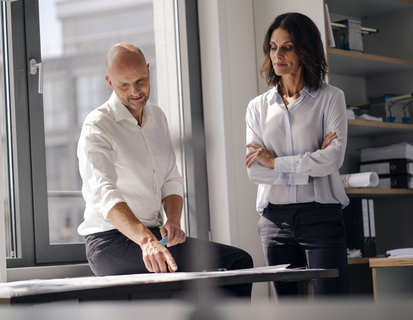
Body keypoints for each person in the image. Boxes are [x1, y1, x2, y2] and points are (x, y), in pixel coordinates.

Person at [77, 42, 253, 298]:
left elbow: (171, 179)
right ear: (109, 82)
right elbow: (103, 192)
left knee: (239, 262)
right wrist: (145, 241)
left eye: (141, 80)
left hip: (153, 235)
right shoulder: (98, 125)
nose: (135, 91)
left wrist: (172, 220)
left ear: (149, 70)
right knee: (184, 282)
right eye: (124, 85)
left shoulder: (157, 117)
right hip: (110, 242)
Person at [245, 12, 349, 298]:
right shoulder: (257, 107)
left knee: (334, 306)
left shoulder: (331, 98)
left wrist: (275, 161)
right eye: (273, 47)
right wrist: (312, 162)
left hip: (322, 217)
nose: (278, 54)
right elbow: (255, 171)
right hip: (274, 222)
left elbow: (334, 159)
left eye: (287, 47)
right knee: (290, 311)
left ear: (305, 50)